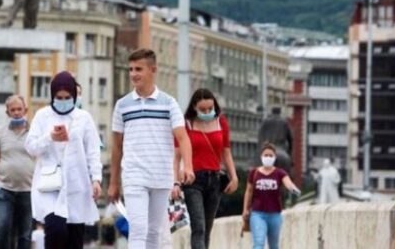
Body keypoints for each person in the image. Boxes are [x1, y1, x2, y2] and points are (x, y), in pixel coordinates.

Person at [108, 48, 195, 249]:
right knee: (138, 229)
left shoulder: (169, 103)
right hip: (134, 175)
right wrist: (113, 182)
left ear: (152, 70)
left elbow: (183, 137)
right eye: (130, 69)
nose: (133, 74)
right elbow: (117, 147)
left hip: (161, 175)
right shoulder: (122, 105)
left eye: (138, 69)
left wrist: (188, 166)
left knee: (154, 232)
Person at [25, 71, 103, 249]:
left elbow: (93, 151)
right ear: (52, 95)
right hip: (49, 184)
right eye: (58, 97)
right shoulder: (42, 116)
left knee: (74, 238)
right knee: (56, 229)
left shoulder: (84, 118)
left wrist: (96, 179)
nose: (63, 100)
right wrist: (50, 137)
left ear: (74, 95)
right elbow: (30, 146)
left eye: (67, 97)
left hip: (77, 184)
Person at [173, 88, 239, 249]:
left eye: (210, 108)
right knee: (199, 228)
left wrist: (234, 177)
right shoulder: (185, 124)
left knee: (207, 230)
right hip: (192, 180)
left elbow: (226, 153)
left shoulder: (221, 122)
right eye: (203, 109)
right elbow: (176, 156)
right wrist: (175, 182)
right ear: (194, 106)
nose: (207, 112)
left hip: (214, 181)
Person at [0, 95, 36, 249]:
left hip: (28, 189)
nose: (16, 113)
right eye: (12, 110)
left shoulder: (34, 131)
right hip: (4, 188)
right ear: (7, 113)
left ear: (25, 110)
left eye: (19, 109)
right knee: (2, 226)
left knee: (25, 233)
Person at [242, 143, 301, 249]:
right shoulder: (254, 173)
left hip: (275, 215)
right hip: (258, 214)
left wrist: (294, 189)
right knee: (258, 243)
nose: (268, 157)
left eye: (270, 155)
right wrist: (245, 209)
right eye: (266, 155)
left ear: (274, 157)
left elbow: (287, 182)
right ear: (261, 156)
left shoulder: (280, 173)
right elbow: (249, 191)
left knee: (274, 245)